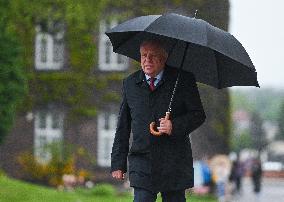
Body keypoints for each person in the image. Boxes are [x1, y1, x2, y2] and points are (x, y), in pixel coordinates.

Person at [111, 39, 206, 202]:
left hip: (174, 162)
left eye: (152, 56)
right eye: (143, 56)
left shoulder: (182, 80)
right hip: (142, 161)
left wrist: (173, 126)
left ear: (163, 58)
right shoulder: (130, 84)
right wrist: (118, 164)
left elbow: (198, 114)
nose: (147, 60)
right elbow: (123, 127)